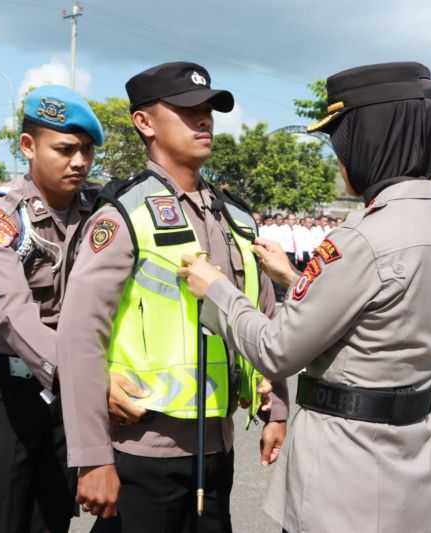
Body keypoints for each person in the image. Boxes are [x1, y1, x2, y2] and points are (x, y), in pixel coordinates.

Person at [180, 62, 431, 533]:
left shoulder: (361, 239)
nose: (339, 163)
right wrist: (294, 277)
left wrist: (217, 290)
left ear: (371, 144)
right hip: (407, 462)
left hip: (347, 471)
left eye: (342, 148)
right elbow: (380, 317)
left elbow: (277, 350)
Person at [57, 61, 287, 533]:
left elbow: (266, 316)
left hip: (217, 448)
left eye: (208, 110)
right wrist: (92, 457)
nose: (203, 120)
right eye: (187, 111)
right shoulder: (124, 214)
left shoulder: (236, 219)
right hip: (144, 450)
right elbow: (80, 337)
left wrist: (277, 410)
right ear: (144, 123)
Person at [0, 85, 104, 533]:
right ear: (28, 146)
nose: (79, 162)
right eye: (66, 149)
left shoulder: (98, 212)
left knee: (51, 510)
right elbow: (13, 314)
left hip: (64, 388)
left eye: (87, 151)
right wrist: (87, 383)